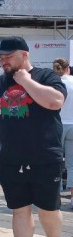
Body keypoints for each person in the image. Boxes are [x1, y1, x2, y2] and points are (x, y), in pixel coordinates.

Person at [0, 36, 66, 237]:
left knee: (48, 209)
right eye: (1, 58)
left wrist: (26, 82)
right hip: (11, 158)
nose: (4, 61)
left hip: (45, 156)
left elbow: (55, 102)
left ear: (24, 55)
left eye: (9, 57)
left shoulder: (46, 76)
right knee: (19, 209)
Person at [53, 57, 73, 210]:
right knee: (72, 164)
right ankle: (72, 198)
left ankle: (55, 194)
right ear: (68, 69)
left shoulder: (54, 83)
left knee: (55, 161)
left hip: (57, 124)